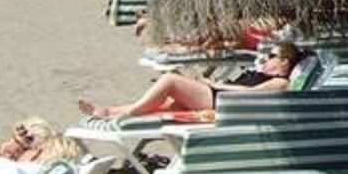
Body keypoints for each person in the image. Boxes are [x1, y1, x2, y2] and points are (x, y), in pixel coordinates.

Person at [78, 41, 310, 121]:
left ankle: (121, 114)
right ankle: (112, 111)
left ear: (285, 63)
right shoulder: (269, 74)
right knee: (165, 105)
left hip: (224, 101)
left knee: (170, 80)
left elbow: (251, 93)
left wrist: (218, 85)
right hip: (219, 95)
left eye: (273, 56)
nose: (267, 59)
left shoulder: (281, 82)